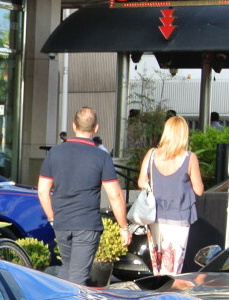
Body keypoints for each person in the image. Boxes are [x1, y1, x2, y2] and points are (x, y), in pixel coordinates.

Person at [37, 107, 129, 285]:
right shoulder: (101, 156)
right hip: (86, 223)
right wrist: (123, 227)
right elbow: (115, 195)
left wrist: (52, 217)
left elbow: (42, 190)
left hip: (62, 222)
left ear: (73, 126)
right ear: (96, 128)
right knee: (78, 277)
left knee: (67, 268)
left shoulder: (55, 152)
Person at [138, 115, 204, 276]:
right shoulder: (189, 158)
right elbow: (199, 190)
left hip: (154, 216)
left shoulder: (152, 154)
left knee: (158, 267)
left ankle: (158, 296)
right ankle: (167, 297)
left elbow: (141, 182)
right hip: (178, 218)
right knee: (172, 268)